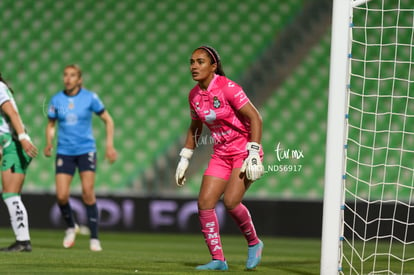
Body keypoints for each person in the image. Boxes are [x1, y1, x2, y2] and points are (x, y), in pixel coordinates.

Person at [175, 46, 265, 271]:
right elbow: (195, 126)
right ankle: (218, 260)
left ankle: (254, 243)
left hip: (243, 151)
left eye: (200, 62)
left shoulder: (229, 88)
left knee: (231, 202)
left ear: (213, 66)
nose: (194, 66)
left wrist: (253, 152)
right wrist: (185, 157)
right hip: (221, 153)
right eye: (192, 62)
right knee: (204, 203)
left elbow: (255, 118)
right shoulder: (194, 95)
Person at [44, 64, 117, 251]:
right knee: (61, 196)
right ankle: (71, 226)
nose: (68, 78)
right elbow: (51, 124)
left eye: (72, 75)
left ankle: (94, 237)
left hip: (86, 150)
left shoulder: (90, 98)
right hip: (64, 151)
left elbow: (108, 120)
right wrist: (48, 142)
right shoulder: (56, 99)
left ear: (79, 79)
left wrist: (109, 145)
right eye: (66, 75)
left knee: (87, 192)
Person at [0, 73, 38, 252]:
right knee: (11, 194)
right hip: (10, 146)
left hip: (14, 145)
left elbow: (12, 113)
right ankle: (22, 241)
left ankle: (23, 242)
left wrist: (22, 138)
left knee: (11, 194)